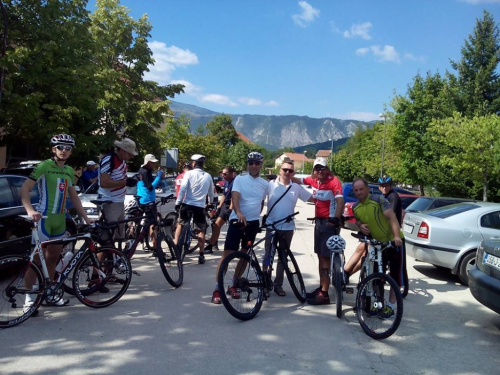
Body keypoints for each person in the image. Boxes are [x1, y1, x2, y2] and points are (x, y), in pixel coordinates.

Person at [20, 134, 93, 309]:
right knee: (36, 259)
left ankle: (47, 293)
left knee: (52, 258)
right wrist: (30, 211)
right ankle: (29, 298)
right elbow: (24, 189)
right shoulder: (44, 166)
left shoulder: (69, 170)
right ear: (54, 149)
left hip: (60, 220)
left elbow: (73, 197)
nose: (64, 151)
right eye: (60, 147)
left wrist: (85, 217)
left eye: (68, 148)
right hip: (44, 218)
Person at [211, 151, 268, 304]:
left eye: (257, 163)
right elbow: (235, 197)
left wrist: (257, 215)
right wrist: (239, 212)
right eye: (251, 163)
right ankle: (218, 288)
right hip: (238, 221)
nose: (254, 166)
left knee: (245, 255)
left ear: (261, 164)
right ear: (247, 165)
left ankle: (234, 284)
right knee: (227, 256)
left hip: (253, 224)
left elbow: (261, 202)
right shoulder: (240, 180)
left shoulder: (265, 184)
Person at [344, 178, 404, 318]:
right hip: (377, 244)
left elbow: (392, 218)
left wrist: (396, 237)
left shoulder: (378, 200)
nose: (359, 192)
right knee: (377, 276)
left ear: (367, 188)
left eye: (361, 189)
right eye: (356, 190)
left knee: (394, 276)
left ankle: (390, 306)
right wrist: (360, 225)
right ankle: (378, 303)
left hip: (393, 241)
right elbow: (359, 220)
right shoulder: (356, 207)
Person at [292, 157, 344, 305]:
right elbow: (298, 180)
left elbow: (340, 202)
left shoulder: (334, 181)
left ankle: (325, 293)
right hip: (319, 223)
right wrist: (286, 174)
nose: (319, 171)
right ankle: (322, 287)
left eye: (322, 168)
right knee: (320, 256)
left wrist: (336, 218)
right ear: (314, 170)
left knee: (326, 257)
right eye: (317, 168)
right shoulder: (313, 180)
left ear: (327, 169)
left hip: (329, 223)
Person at [263, 159, 312, 297]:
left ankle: (278, 285)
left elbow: (312, 199)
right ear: (280, 170)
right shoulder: (270, 185)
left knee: (283, 258)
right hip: (272, 226)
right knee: (268, 256)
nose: (287, 172)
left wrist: (330, 194)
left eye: (290, 170)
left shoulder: (296, 187)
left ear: (293, 173)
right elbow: (258, 198)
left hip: (288, 227)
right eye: (285, 169)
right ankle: (265, 284)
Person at [174, 154, 214, 264]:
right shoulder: (208, 176)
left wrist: (178, 203)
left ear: (194, 163)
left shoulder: (189, 174)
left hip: (187, 204)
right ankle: (201, 255)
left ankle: (176, 246)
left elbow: (183, 189)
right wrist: (210, 203)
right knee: (201, 230)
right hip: (200, 206)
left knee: (180, 224)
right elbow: (211, 193)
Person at [98, 137, 138, 243]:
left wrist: (130, 180)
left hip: (119, 201)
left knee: (119, 237)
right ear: (122, 150)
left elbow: (118, 179)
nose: (131, 156)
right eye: (129, 153)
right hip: (109, 201)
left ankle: (114, 258)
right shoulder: (109, 159)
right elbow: (104, 182)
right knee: (108, 239)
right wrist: (126, 182)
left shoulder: (123, 162)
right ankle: (100, 259)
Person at [204, 166, 236, 254]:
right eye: (222, 173)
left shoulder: (235, 182)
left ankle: (233, 248)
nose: (223, 175)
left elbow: (234, 197)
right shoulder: (226, 182)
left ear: (232, 174)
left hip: (232, 206)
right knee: (216, 225)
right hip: (225, 206)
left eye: (225, 174)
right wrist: (219, 206)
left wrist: (230, 209)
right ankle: (211, 245)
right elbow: (224, 195)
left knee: (234, 228)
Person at [137, 154, 164, 248]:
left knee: (145, 222)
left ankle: (139, 235)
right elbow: (150, 187)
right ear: (148, 162)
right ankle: (156, 248)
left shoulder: (141, 170)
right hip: (148, 200)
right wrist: (159, 177)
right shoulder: (146, 172)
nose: (154, 164)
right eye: (153, 162)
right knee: (153, 224)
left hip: (141, 199)